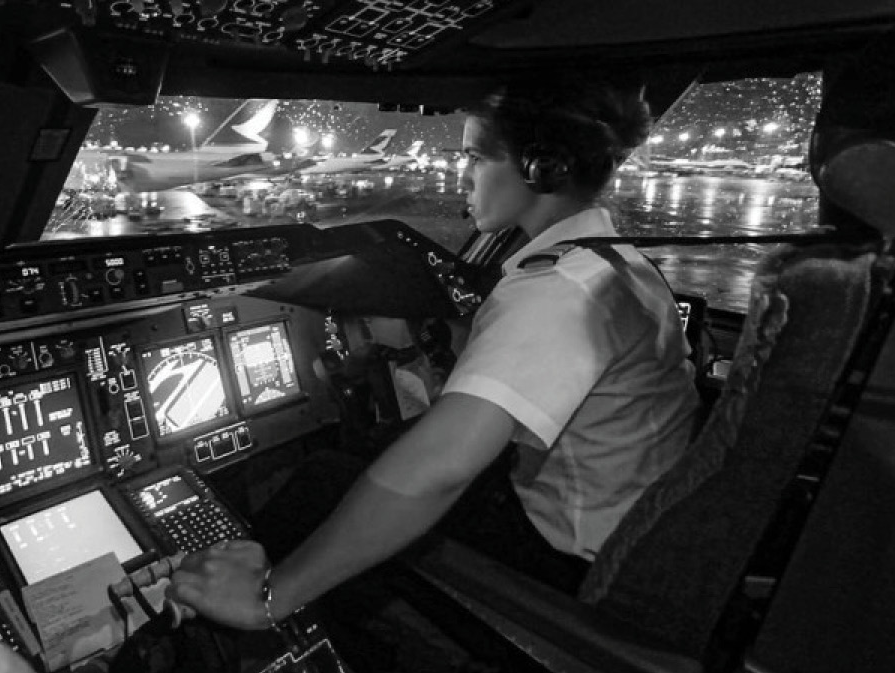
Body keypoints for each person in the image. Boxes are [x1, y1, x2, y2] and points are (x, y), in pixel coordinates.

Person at [168, 77, 700, 631]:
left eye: (476, 156)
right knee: (369, 458)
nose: (463, 174)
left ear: (541, 166)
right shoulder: (624, 266)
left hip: (567, 560)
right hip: (628, 534)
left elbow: (438, 471)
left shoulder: (560, 289)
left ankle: (239, 619)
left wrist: (272, 596)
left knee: (324, 480)